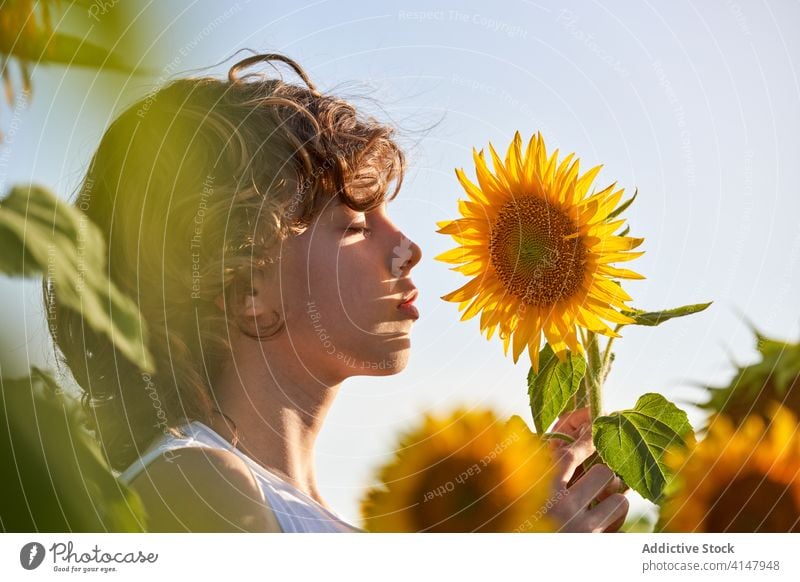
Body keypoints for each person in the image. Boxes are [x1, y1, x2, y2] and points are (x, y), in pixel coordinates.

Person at [46, 53, 629, 533]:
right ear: (247, 285)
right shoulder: (193, 482)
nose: (408, 248)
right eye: (354, 225)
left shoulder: (324, 522)